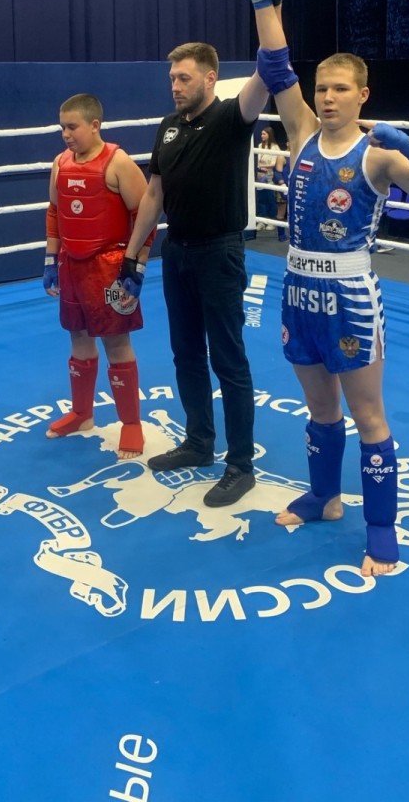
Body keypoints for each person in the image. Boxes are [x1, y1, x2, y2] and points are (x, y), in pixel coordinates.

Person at [242, 0, 409, 575]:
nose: (328, 97)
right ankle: (324, 497)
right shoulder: (300, 134)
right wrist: (263, 0)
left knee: (368, 414)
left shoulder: (379, 154)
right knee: (320, 411)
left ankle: (381, 529)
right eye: (322, 88)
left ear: (362, 93)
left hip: (350, 300)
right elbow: (275, 64)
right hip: (297, 290)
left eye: (340, 89)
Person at [122, 43, 270, 507]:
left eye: (184, 78)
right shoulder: (168, 127)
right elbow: (154, 195)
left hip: (219, 253)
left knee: (228, 360)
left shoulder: (231, 118)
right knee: (185, 354)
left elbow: (268, 72)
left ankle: (241, 465)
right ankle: (199, 442)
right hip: (178, 253)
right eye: (172, 79)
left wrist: (266, 9)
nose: (175, 86)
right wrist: (132, 255)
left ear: (209, 79)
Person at [43, 93, 153, 459]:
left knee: (116, 342)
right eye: (62, 128)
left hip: (109, 266)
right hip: (71, 264)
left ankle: (131, 424)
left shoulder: (118, 162)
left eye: (72, 127)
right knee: (77, 336)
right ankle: (81, 413)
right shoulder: (60, 163)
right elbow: (55, 212)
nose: (66, 134)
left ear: (94, 125)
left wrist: (136, 266)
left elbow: (145, 217)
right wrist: (50, 259)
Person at [255, 125, 284, 229]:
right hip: (260, 176)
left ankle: (272, 221)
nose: (261, 135)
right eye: (261, 134)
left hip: (270, 176)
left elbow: (273, 163)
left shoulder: (275, 147)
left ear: (269, 135)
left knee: (270, 199)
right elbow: (258, 162)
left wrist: (263, 166)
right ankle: (262, 221)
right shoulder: (260, 145)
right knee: (261, 199)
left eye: (264, 134)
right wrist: (261, 166)